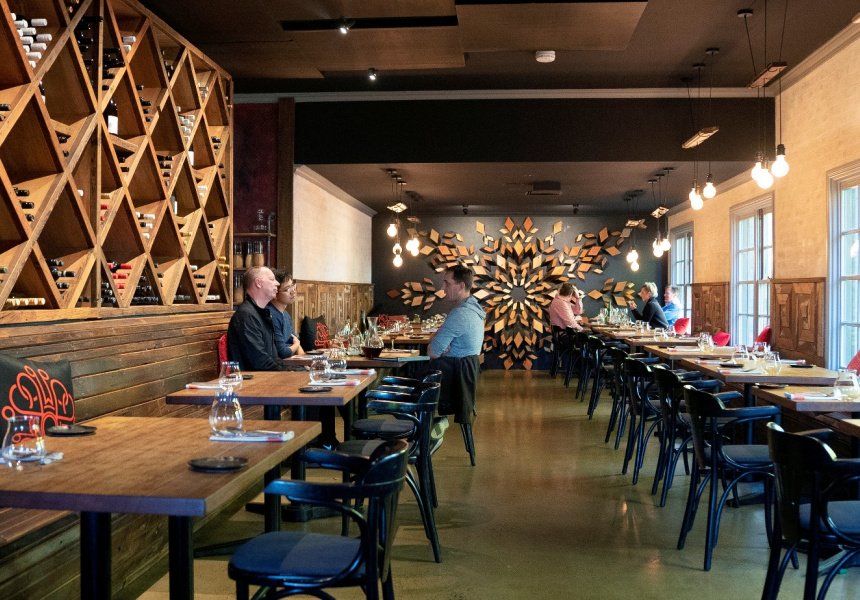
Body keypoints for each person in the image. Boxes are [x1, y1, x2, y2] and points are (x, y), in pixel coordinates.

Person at [428, 265, 485, 428]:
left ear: (461, 286)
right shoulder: (472, 309)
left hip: (450, 381)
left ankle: (421, 431)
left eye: (447, 283)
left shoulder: (460, 314)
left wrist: (437, 340)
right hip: (462, 378)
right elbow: (435, 340)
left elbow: (432, 351)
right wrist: (438, 338)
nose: (442, 288)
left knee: (403, 386)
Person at [227, 266, 293, 371]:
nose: (277, 283)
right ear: (258, 283)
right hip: (254, 379)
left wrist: (294, 369)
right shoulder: (246, 316)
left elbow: (274, 358)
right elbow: (260, 362)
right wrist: (290, 372)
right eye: (272, 279)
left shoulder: (262, 313)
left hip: (268, 375)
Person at [267, 271, 304, 359]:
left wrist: (306, 362)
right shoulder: (271, 315)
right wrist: (296, 344)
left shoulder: (286, 314)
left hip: (292, 361)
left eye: (293, 286)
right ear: (275, 293)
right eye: (288, 289)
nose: (293, 291)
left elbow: (295, 341)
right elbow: (282, 352)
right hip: (280, 364)